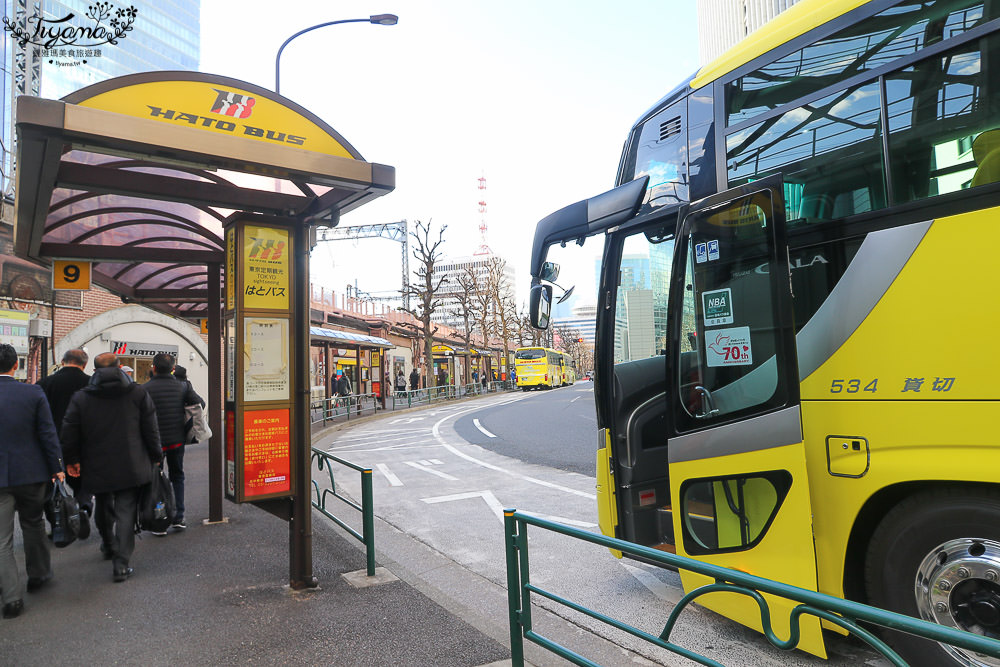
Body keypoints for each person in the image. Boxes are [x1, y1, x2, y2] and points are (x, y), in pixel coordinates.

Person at [61, 353, 162, 582]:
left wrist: (72, 459)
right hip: (131, 462)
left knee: (104, 503)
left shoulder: (82, 397)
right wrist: (156, 455)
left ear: (94, 370)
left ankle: (107, 544)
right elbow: (151, 428)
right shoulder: (137, 393)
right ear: (119, 367)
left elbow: (69, 431)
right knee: (126, 509)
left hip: (96, 462)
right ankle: (121, 564)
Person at [0, 344, 65, 618]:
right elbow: (47, 433)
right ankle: (38, 575)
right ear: (16, 365)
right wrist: (57, 467)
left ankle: (11, 598)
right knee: (33, 524)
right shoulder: (32, 392)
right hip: (32, 474)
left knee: (1, 541)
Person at [37, 349, 92, 539]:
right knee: (82, 481)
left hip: (51, 442)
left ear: (62, 362)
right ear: (84, 364)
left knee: (53, 486)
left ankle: (58, 525)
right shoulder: (90, 383)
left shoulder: (45, 383)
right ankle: (83, 508)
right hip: (82, 442)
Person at [143, 353, 200, 534]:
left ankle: (159, 519)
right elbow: (200, 404)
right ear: (173, 369)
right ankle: (179, 516)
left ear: (154, 368)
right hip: (176, 441)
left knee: (155, 479)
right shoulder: (182, 387)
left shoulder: (144, 389)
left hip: (154, 443)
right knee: (177, 476)